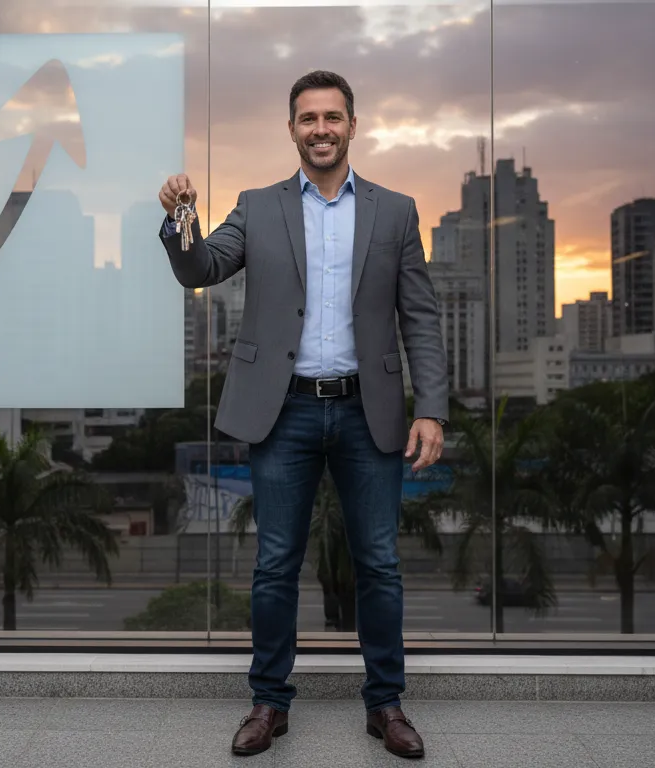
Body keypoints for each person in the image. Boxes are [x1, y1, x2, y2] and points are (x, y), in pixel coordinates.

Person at [157, 70, 448, 759]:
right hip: (280, 412)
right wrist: (180, 216)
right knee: (275, 565)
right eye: (308, 118)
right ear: (291, 129)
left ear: (353, 125)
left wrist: (430, 409)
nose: (321, 129)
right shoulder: (257, 207)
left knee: (378, 563)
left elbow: (423, 318)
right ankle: (268, 704)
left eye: (333, 117)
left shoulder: (396, 211)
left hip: (366, 411)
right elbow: (200, 268)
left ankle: (386, 705)